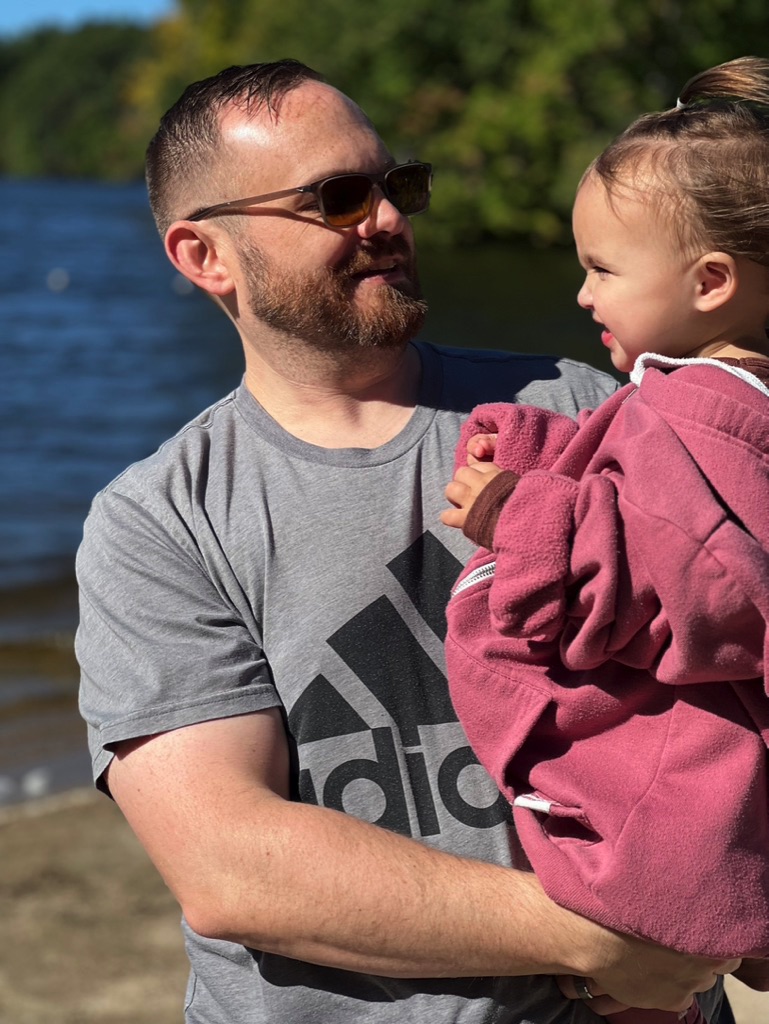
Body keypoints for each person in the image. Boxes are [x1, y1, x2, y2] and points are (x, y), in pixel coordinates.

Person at [75, 59, 739, 1024]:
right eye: (337, 198)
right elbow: (230, 863)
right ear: (204, 255)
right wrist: (602, 941)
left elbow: (733, 651)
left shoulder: (582, 407)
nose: (386, 219)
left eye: (398, 185)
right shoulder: (160, 521)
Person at [442, 56, 769, 1024]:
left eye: (602, 269)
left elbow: (703, 585)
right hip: (695, 795)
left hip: (671, 816)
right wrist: (541, 451)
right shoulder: (705, 399)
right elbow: (659, 506)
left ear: (710, 282)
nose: (582, 294)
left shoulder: (703, 410)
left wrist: (517, 514)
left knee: (637, 985)